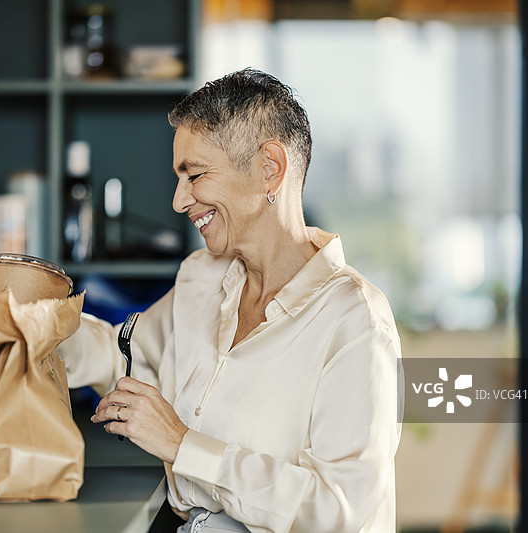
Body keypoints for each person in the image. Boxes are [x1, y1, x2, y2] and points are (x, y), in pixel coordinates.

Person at [58, 68, 403, 533]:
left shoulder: (355, 320)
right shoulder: (202, 278)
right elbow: (124, 354)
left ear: (269, 168)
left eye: (195, 175)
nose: (180, 201)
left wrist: (184, 446)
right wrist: (32, 325)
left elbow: (336, 511)